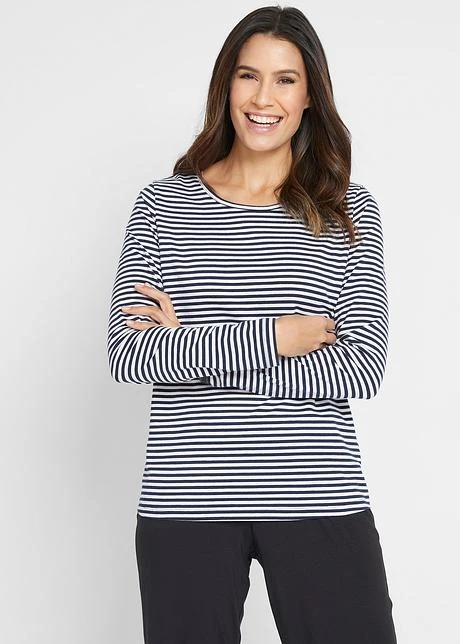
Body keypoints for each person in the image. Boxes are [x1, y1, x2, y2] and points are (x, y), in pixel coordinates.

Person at [106, 5, 398, 643]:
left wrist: (186, 346)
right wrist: (280, 337)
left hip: (320, 497)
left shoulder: (347, 211)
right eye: (248, 76)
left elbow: (361, 367)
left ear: (310, 97)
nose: (264, 98)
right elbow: (129, 355)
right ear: (226, 85)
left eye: (285, 80)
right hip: (185, 503)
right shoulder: (163, 205)